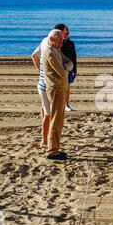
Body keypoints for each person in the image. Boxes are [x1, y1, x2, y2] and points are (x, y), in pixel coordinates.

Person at [31, 24, 69, 145]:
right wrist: (44, 73)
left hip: (43, 83)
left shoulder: (45, 41)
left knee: (46, 113)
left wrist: (42, 71)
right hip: (46, 85)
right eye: (64, 35)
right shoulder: (51, 48)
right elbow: (62, 71)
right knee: (49, 115)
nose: (63, 39)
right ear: (54, 37)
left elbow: (34, 56)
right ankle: (45, 140)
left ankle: (45, 138)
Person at [42, 29, 73, 160]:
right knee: (56, 120)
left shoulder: (57, 51)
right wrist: (66, 68)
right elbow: (62, 72)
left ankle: (55, 148)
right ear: (52, 39)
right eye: (59, 38)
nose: (62, 40)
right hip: (56, 89)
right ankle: (52, 151)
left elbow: (70, 63)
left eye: (62, 38)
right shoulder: (50, 53)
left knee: (59, 120)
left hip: (60, 89)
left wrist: (67, 67)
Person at [60, 25, 77, 112]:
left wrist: (75, 70)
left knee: (68, 87)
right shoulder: (59, 43)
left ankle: (67, 104)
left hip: (69, 68)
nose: (66, 35)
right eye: (65, 33)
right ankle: (60, 104)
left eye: (68, 33)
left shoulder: (71, 43)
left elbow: (74, 57)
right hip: (60, 68)